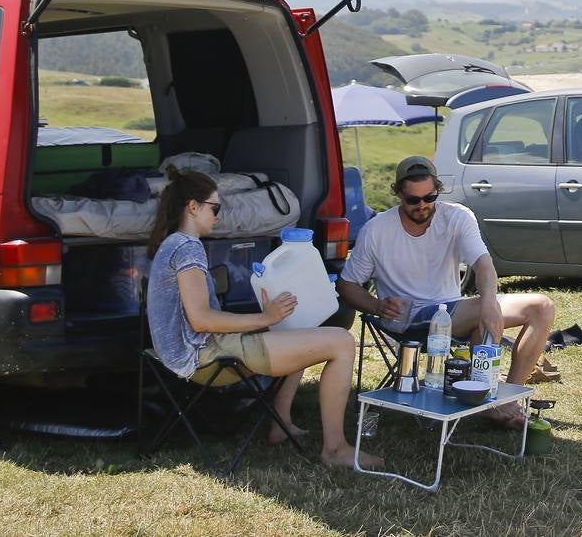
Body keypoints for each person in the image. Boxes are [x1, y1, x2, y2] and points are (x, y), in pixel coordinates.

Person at [146, 168, 379, 469]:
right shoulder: (186, 247)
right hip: (203, 356)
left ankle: (280, 422)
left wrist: (268, 318)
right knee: (342, 342)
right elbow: (201, 320)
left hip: (192, 351)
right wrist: (263, 318)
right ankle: (335, 450)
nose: (218, 216)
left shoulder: (173, 244)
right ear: (193, 206)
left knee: (298, 328)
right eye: (215, 208)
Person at [336, 156, 556, 429]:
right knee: (482, 312)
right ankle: (493, 402)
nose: (422, 206)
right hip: (406, 316)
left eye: (429, 197)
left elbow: (483, 264)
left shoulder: (457, 216)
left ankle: (501, 398)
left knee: (542, 306)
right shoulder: (377, 229)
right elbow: (346, 285)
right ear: (398, 194)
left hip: (452, 311)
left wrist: (489, 302)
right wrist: (376, 306)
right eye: (412, 200)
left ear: (437, 190)